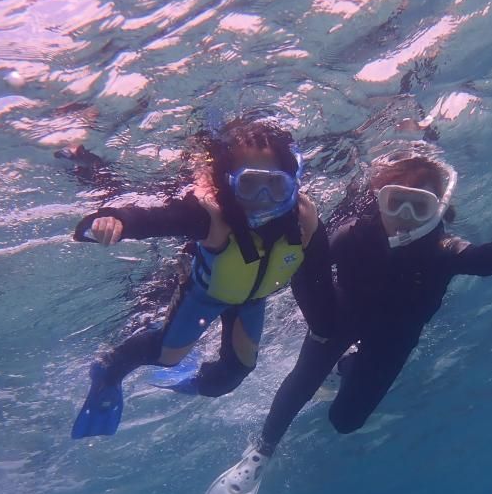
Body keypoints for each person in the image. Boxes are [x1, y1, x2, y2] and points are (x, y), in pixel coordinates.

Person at [197, 142, 492, 494]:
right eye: (396, 203)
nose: (405, 217)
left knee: (345, 422)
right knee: (302, 381)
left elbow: (475, 257)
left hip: (394, 336)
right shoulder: (356, 234)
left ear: (438, 209)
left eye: (419, 207)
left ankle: (348, 365)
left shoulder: (442, 247)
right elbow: (313, 264)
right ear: (379, 200)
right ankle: (259, 454)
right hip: (341, 318)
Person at [70, 118, 334, 439]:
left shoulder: (304, 220)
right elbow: (154, 219)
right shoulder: (212, 217)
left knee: (233, 375)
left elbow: (320, 280)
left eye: (275, 185)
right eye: (250, 185)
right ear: (229, 184)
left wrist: (327, 331)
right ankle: (109, 371)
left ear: (292, 182)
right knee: (168, 356)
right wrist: (114, 220)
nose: (263, 198)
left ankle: (187, 385)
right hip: (204, 295)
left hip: (251, 301)